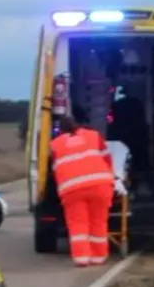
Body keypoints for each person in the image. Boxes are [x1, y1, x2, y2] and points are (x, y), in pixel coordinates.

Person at [49, 113, 116, 267]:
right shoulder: (94, 136)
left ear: (60, 130)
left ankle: (81, 258)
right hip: (100, 185)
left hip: (72, 189)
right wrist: (111, 178)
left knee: (78, 224)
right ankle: (98, 257)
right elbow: (107, 159)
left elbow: (55, 168)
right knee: (98, 221)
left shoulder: (55, 144)